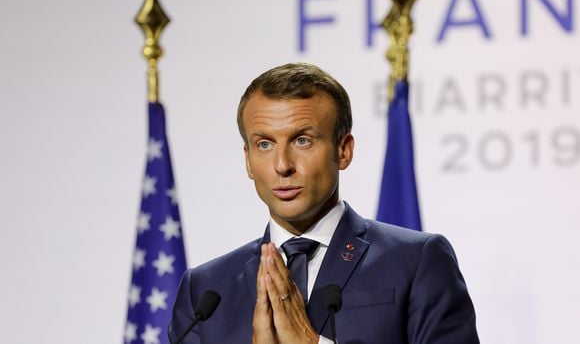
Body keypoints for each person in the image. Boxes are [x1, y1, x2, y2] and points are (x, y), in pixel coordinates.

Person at [169, 63, 479, 344]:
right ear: (248, 161)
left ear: (343, 151)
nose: (282, 165)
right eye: (264, 144)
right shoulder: (206, 292)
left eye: (302, 140)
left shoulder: (416, 262)